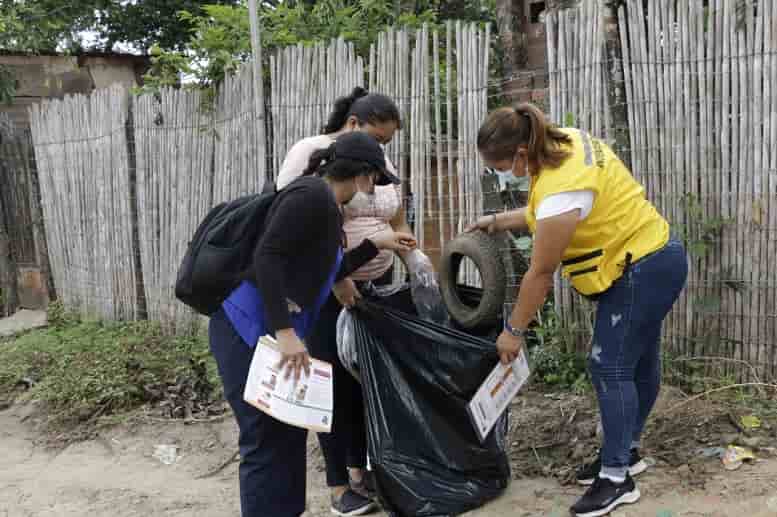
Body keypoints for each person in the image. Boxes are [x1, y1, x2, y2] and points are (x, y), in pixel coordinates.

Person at [468, 103, 688, 517]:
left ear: (520, 154)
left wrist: (514, 331)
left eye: (499, 165)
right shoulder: (563, 140)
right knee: (637, 362)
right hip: (652, 252)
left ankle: (617, 477)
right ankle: (626, 452)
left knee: (610, 366)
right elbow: (548, 213)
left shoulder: (561, 188)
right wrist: (498, 221)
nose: (499, 173)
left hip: (641, 268)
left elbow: (540, 272)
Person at [209, 132, 417, 517]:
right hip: (247, 331)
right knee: (264, 442)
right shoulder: (311, 196)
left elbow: (327, 271)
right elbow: (267, 258)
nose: (373, 192)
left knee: (288, 433)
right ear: (364, 176)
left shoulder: (326, 204)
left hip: (270, 333)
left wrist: (378, 244)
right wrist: (286, 333)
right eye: (376, 182)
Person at [276, 87, 413, 515]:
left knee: (366, 380)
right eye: (377, 138)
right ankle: (338, 485)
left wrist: (412, 257)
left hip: (378, 285)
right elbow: (300, 221)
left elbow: (394, 210)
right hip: (330, 291)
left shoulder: (377, 160)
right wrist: (338, 283)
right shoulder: (312, 154)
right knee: (331, 384)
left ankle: (361, 470)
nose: (383, 150)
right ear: (353, 125)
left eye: (387, 143)